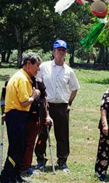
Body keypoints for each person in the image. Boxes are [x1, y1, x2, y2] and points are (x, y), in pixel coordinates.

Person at [34, 40, 80, 172]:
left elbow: (75, 88)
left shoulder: (69, 71)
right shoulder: (44, 67)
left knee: (62, 135)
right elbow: (37, 82)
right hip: (45, 105)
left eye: (63, 50)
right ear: (53, 52)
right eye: (58, 50)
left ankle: (62, 161)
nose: (61, 52)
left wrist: (69, 103)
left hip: (62, 106)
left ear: (66, 53)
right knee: (42, 133)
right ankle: (40, 160)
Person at [0, 53, 42, 183]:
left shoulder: (23, 77)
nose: (38, 69)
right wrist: (34, 95)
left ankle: (16, 175)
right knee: (16, 148)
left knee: (21, 146)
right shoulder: (22, 79)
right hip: (16, 115)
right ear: (28, 64)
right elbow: (24, 102)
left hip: (18, 115)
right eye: (37, 65)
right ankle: (5, 179)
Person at [22, 75, 48, 176]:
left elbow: (44, 100)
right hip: (21, 116)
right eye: (36, 66)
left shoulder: (39, 82)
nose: (38, 69)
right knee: (20, 142)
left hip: (34, 117)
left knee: (30, 144)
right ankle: (18, 165)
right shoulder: (20, 80)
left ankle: (26, 166)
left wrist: (47, 115)